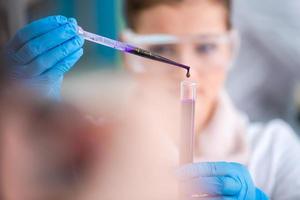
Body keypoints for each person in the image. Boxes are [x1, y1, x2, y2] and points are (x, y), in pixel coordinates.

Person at [2, 0, 300, 199]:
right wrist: (23, 112)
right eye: (164, 49)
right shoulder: (88, 148)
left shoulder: (276, 150)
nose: (187, 67)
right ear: (130, 55)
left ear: (231, 50)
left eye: (207, 47)